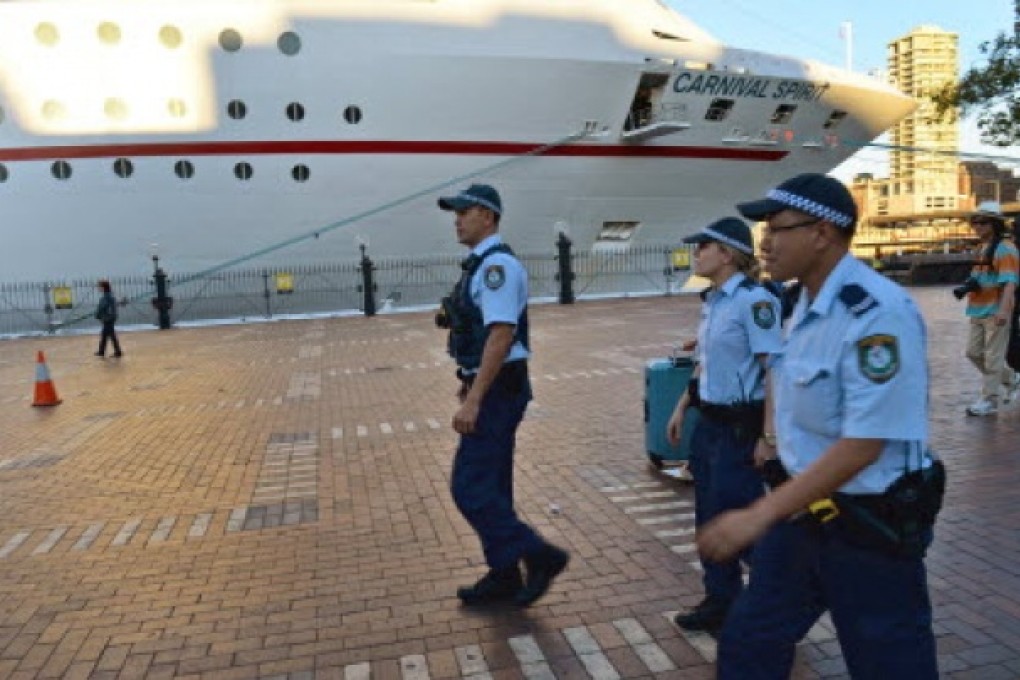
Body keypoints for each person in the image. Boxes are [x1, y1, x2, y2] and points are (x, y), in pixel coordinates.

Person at [698, 173, 942, 679]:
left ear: (822, 233)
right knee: (748, 645)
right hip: (802, 520)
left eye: (777, 228)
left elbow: (863, 446)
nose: (764, 242)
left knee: (889, 664)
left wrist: (757, 515)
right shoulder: (798, 303)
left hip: (867, 529)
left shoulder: (877, 314)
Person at [436, 183, 569, 607]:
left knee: (470, 487)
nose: (457, 219)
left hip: (499, 390)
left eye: (464, 211)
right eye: (455, 212)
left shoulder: (497, 268)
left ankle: (540, 555)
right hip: (495, 385)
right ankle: (504, 573)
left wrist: (476, 398)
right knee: (492, 486)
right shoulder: (479, 266)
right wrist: (470, 380)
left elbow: (501, 335)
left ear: (488, 216)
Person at [666, 217, 781, 632]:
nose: (696, 253)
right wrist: (681, 408)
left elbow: (773, 370)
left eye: (703, 246)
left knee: (739, 519)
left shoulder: (755, 301)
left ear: (728, 253)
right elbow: (706, 364)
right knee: (708, 517)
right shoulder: (713, 301)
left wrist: (769, 436)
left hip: (739, 429)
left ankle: (778, 597)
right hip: (709, 425)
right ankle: (721, 599)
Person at [960, 201, 1019, 416]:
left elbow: (1010, 281)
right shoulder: (981, 247)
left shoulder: (1005, 248)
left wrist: (1003, 311)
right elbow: (979, 276)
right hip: (977, 309)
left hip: (995, 310)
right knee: (973, 353)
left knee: (993, 357)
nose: (977, 226)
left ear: (995, 224)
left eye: (982, 222)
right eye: (974, 222)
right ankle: (1012, 380)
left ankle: (989, 400)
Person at [94, 279, 123, 358]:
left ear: (103, 287)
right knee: (105, 334)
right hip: (110, 317)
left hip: (108, 318)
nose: (99, 288)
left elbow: (102, 307)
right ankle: (102, 351)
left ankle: (117, 352)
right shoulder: (109, 296)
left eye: (100, 287)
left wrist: (97, 314)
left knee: (110, 335)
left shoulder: (106, 297)